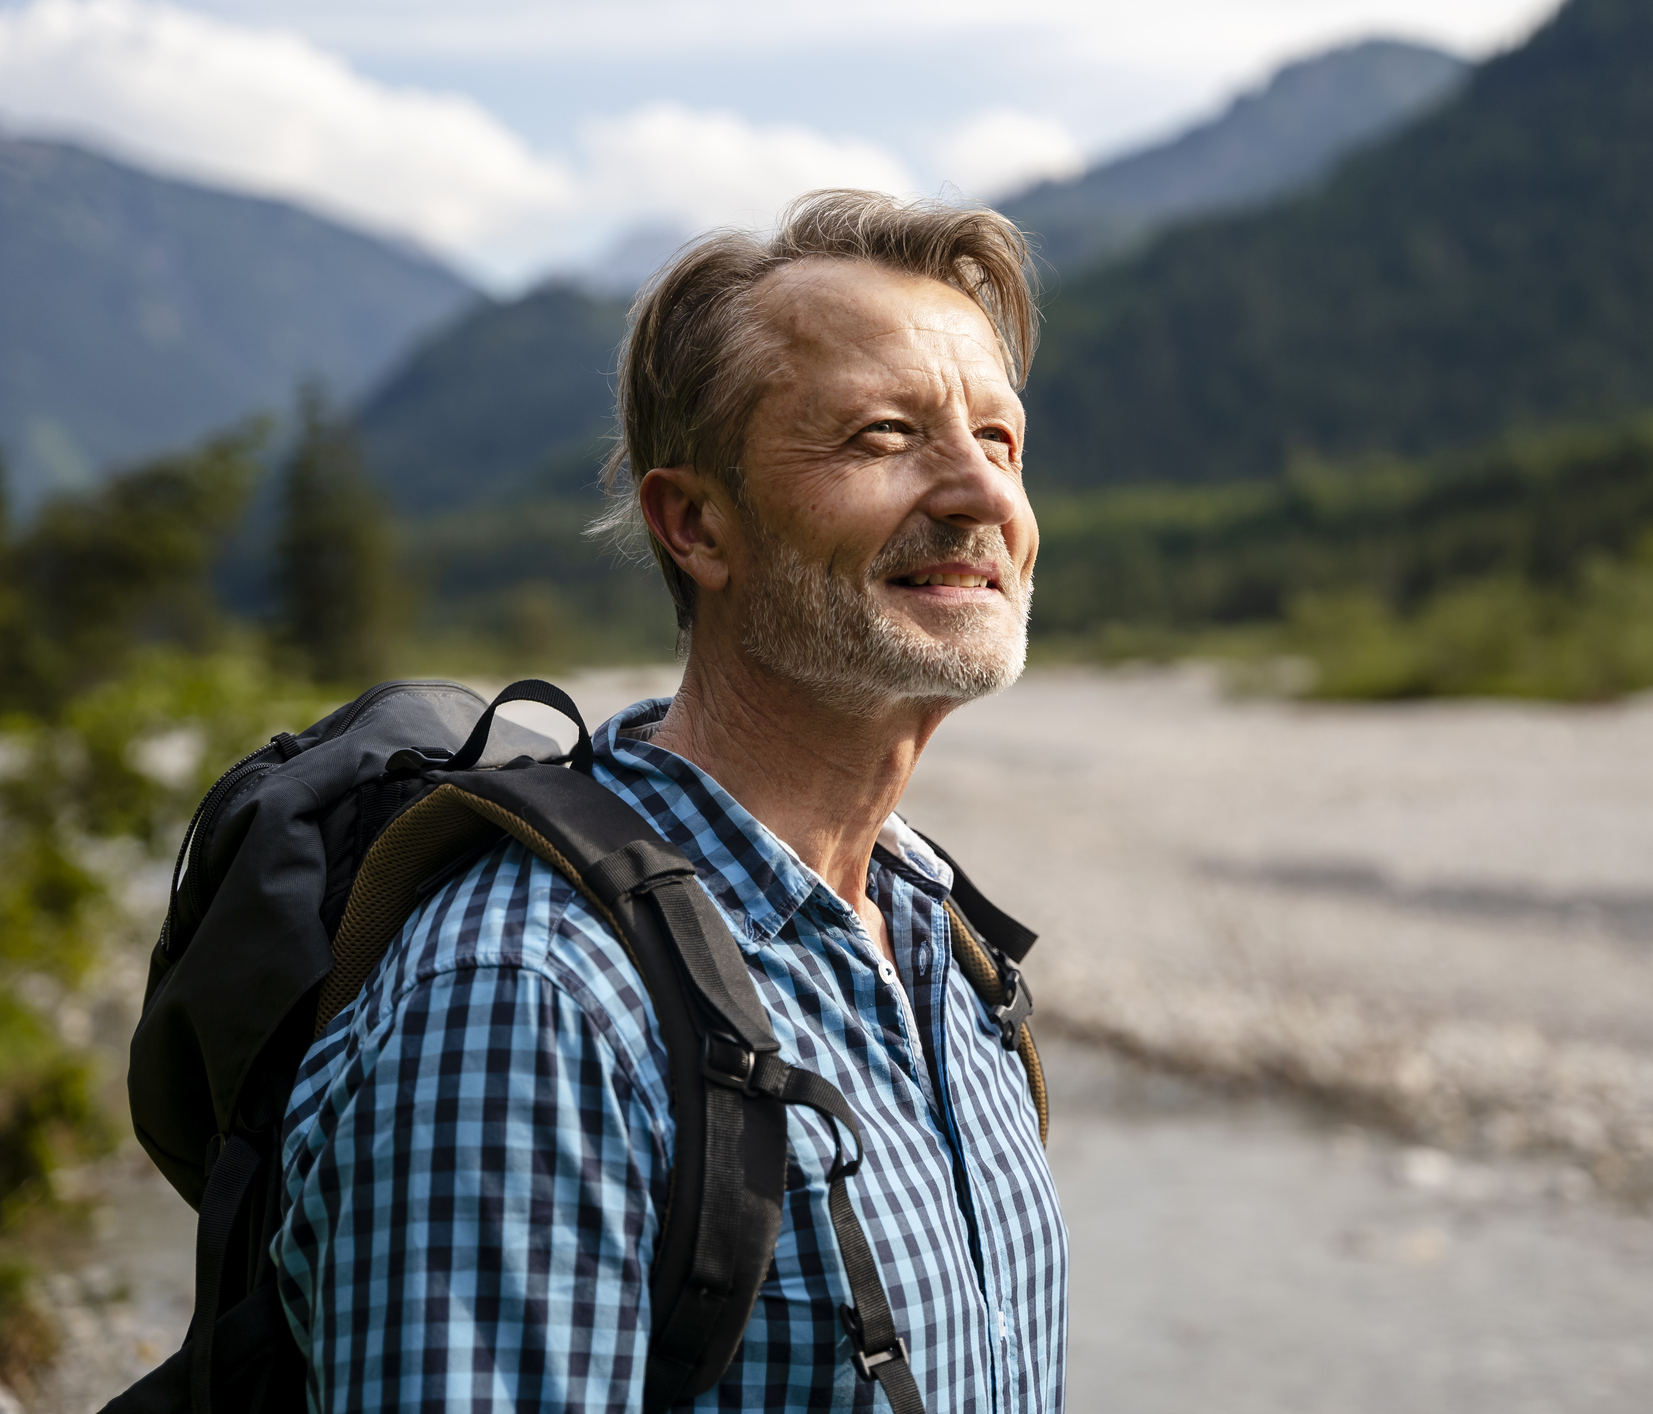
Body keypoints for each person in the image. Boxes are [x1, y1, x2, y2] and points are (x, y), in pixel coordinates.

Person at [268, 190, 1067, 1412]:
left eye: (1001, 441)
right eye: (883, 435)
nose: (978, 494)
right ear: (694, 523)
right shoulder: (531, 1002)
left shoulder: (946, 952)